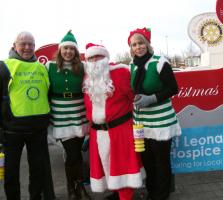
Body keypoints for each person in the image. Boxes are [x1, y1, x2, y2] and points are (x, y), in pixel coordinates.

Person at [83, 43, 144, 200]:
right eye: (91, 58)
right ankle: (117, 193)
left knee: (123, 168)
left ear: (106, 57)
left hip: (120, 130)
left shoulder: (120, 73)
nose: (95, 60)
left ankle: (125, 197)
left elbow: (133, 98)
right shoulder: (87, 78)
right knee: (107, 166)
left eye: (98, 56)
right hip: (97, 132)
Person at [127, 27, 182, 200]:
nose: (138, 47)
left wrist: (151, 98)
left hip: (161, 121)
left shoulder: (160, 62)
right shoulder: (131, 66)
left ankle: (162, 194)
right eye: (134, 44)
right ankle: (152, 192)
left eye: (141, 43)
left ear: (147, 44)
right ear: (131, 48)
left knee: (161, 161)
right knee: (148, 160)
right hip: (141, 122)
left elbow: (173, 88)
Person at [0, 31, 52, 200]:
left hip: (38, 130)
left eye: (31, 44)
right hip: (12, 131)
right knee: (11, 173)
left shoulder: (41, 67)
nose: (27, 47)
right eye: (23, 44)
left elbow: (48, 93)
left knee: (37, 172)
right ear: (14, 45)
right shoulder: (4, 66)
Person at [45, 30, 90, 200]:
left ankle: (77, 189)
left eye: (72, 49)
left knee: (76, 152)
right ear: (60, 50)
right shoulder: (49, 66)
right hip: (60, 116)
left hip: (79, 115)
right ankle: (74, 189)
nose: (68, 52)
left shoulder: (83, 67)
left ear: (76, 51)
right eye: (65, 49)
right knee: (72, 153)